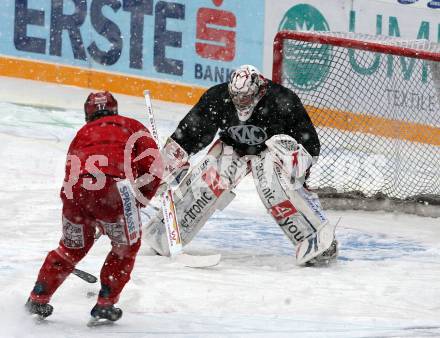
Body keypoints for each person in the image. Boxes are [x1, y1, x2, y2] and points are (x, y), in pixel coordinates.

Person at [144, 65, 338, 265]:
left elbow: (310, 144)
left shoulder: (282, 100)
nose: (239, 101)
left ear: (259, 91)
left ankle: (319, 242)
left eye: (244, 97)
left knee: (272, 190)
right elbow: (192, 132)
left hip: (269, 153)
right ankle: (163, 233)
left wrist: (296, 161)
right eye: (235, 96)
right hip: (233, 147)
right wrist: (167, 165)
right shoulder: (218, 97)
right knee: (207, 183)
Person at [25, 91, 163, 322]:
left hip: (75, 194)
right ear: (115, 109)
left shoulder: (82, 133)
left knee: (70, 248)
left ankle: (38, 297)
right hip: (115, 194)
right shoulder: (132, 126)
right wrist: (139, 199)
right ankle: (105, 304)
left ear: (87, 113)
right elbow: (154, 167)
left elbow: (71, 171)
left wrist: (81, 207)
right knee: (125, 247)